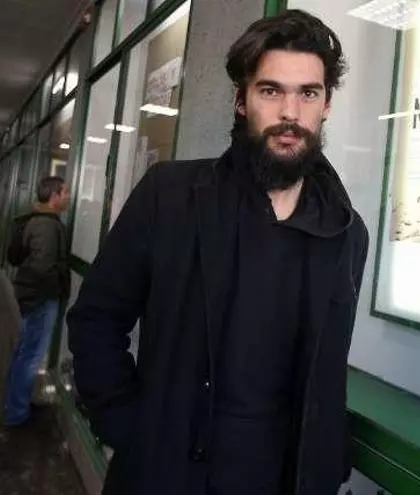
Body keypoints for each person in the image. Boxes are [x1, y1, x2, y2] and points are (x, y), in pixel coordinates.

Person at [67, 9, 368, 495]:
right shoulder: (170, 196)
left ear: (326, 105)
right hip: (168, 475)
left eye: (308, 93)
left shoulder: (346, 234)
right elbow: (96, 319)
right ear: (241, 100)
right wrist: (128, 429)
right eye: (270, 91)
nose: (290, 113)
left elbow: (325, 376)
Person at [4, 176, 70, 427]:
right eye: (65, 192)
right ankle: (17, 412)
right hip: (40, 297)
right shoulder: (47, 225)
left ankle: (15, 402)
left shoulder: (38, 220)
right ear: (54, 196)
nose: (68, 197)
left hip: (32, 295)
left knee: (25, 351)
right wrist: (52, 291)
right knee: (31, 355)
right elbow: (43, 266)